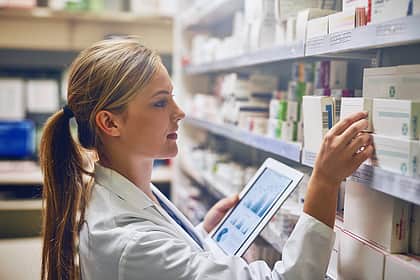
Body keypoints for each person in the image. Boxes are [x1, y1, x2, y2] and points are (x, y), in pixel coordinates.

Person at [39, 38, 373, 280]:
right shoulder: (131, 241)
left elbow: (166, 258)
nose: (179, 113)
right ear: (110, 122)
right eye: (159, 103)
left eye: (172, 97)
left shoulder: (127, 195)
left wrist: (200, 234)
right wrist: (325, 183)